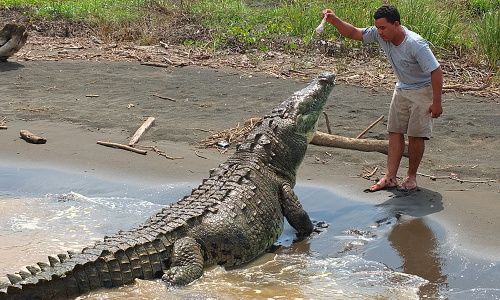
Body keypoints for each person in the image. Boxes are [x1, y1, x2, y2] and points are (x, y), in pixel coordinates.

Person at [321, 5, 443, 192]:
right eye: (377, 27)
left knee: (416, 135)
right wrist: (334, 20)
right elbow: (354, 32)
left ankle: (411, 176)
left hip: (422, 90)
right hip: (402, 87)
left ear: (397, 24)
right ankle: (390, 177)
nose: (379, 32)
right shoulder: (380, 35)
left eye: (383, 28)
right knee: (394, 131)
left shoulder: (415, 43)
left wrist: (436, 102)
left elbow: (436, 71)